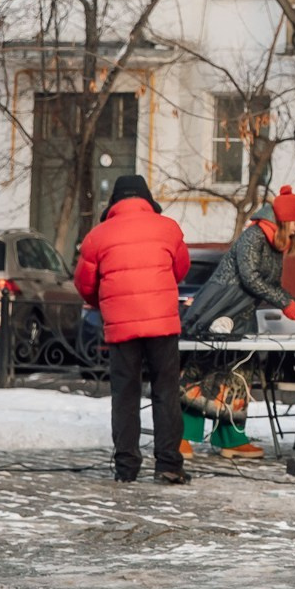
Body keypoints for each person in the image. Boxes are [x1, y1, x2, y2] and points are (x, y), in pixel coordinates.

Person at [73, 174, 191, 485]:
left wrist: (103, 301)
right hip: (162, 322)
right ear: (147, 199)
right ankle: (168, 464)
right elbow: (180, 269)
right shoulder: (169, 229)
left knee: (124, 394)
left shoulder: (97, 236)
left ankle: (126, 467)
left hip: (121, 325)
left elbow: (84, 284)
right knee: (166, 392)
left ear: (113, 202)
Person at [183, 187, 295, 459]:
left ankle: (231, 439)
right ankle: (180, 436)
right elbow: (250, 278)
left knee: (240, 374)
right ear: (284, 220)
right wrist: (284, 303)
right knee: (202, 370)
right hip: (219, 310)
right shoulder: (253, 237)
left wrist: (292, 302)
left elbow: (271, 284)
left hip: (242, 315)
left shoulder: (276, 243)